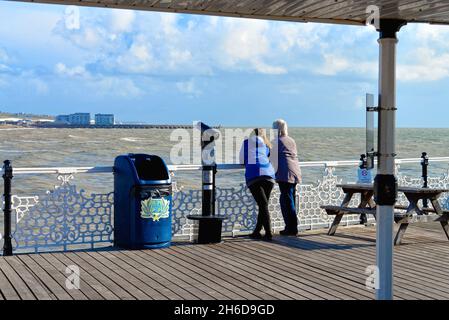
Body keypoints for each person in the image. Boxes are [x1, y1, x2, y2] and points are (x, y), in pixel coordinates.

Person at [240, 128, 276, 241]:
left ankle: (269, 233)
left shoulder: (246, 142)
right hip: (269, 175)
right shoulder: (266, 145)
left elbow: (241, 160)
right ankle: (257, 231)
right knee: (263, 204)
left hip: (254, 175)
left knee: (263, 204)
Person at [271, 119, 302, 236]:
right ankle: (290, 226)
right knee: (290, 199)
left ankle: (292, 228)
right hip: (295, 171)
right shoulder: (291, 140)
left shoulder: (276, 141)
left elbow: (269, 155)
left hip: (285, 173)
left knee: (287, 200)